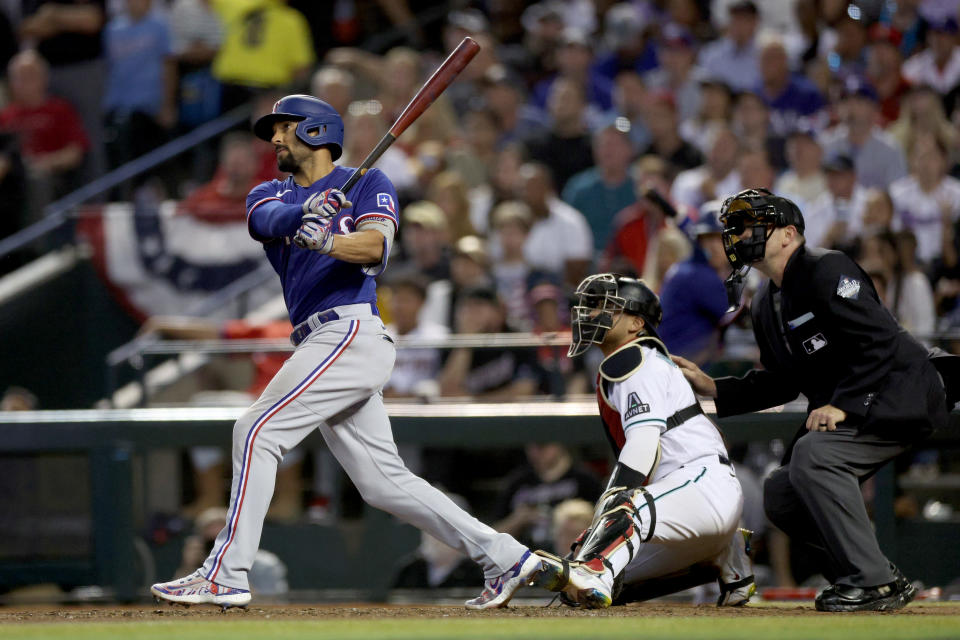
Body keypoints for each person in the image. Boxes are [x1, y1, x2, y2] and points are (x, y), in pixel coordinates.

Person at [150, 94, 541, 610]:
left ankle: (226, 572)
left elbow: (376, 247)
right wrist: (306, 215)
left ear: (315, 131)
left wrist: (330, 240)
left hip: (349, 333)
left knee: (257, 429)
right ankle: (505, 555)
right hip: (319, 340)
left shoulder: (371, 183)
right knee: (383, 483)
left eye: (284, 128)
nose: (274, 138)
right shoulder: (270, 192)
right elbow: (264, 221)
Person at [672, 188, 949, 611]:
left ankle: (873, 583)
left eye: (751, 224)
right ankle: (870, 577)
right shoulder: (765, 301)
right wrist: (715, 387)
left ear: (787, 234)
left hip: (906, 388)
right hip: (860, 402)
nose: (740, 234)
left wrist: (844, 403)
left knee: (814, 455)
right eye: (737, 227)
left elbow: (879, 343)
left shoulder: (826, 266)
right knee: (781, 493)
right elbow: (784, 381)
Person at [530, 274, 754, 608]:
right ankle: (723, 557)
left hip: (700, 485)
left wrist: (612, 504)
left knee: (609, 534)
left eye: (607, 308)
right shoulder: (636, 363)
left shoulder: (636, 359)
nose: (592, 315)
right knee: (575, 588)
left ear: (637, 323)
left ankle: (599, 568)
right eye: (592, 307)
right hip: (687, 507)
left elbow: (643, 443)